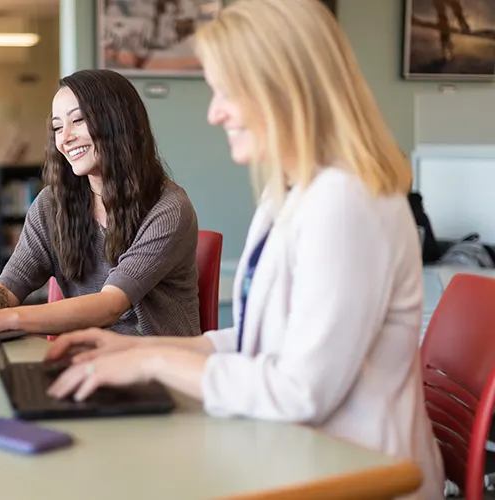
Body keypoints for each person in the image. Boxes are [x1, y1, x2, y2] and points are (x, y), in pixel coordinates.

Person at [43, 1, 445, 498]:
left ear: (287, 86)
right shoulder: (290, 195)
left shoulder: (347, 203)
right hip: (299, 455)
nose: (215, 112)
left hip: (359, 474)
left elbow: (300, 391)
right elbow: (264, 338)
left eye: (228, 92)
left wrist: (153, 364)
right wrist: (140, 348)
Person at [0, 69, 201, 338]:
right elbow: (10, 287)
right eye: (57, 126)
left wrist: (6, 320)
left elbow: (111, 304)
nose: (65, 137)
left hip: (160, 373)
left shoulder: (168, 209)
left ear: (118, 122)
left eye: (78, 120)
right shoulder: (52, 204)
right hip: (86, 364)